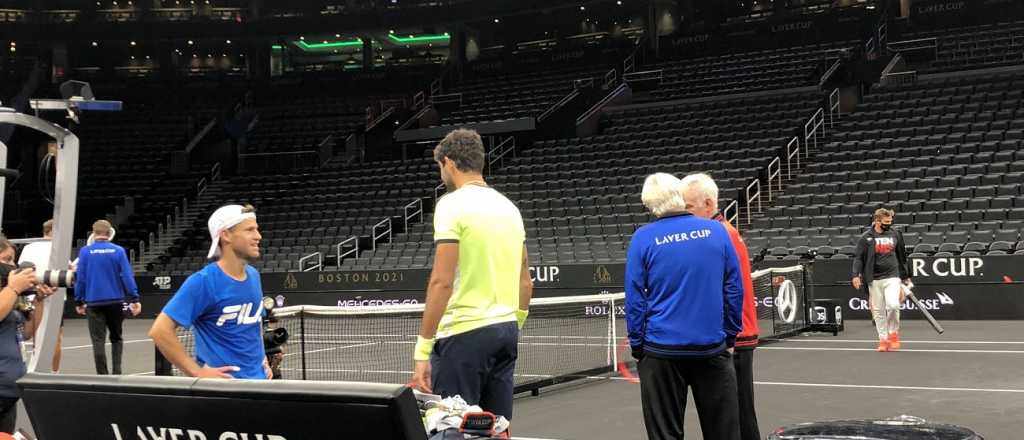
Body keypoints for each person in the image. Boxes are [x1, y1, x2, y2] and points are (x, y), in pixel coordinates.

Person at [410, 129, 532, 423]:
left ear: (449, 162)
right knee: (497, 427)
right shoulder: (509, 208)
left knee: (453, 427)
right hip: (505, 331)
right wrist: (512, 323)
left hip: (463, 336)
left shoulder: (451, 205)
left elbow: (442, 281)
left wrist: (423, 349)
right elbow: (525, 281)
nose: (441, 173)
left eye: (440, 166)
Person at [625, 173, 743, 440]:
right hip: (711, 348)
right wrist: (730, 333)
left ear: (650, 204)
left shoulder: (643, 238)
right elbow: (734, 288)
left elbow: (635, 298)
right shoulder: (717, 231)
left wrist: (638, 345)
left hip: (661, 351)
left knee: (665, 435)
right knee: (724, 433)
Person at [149, 204, 272, 379]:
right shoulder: (203, 282)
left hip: (260, 383)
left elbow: (253, 325)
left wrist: (263, 358)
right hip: (223, 394)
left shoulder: (253, 276)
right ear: (226, 235)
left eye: (257, 229)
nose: (258, 236)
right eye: (249, 230)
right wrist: (197, 372)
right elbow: (160, 331)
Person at [680, 172, 761, 440]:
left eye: (689, 207)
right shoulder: (719, 232)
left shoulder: (722, 234)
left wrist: (727, 335)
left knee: (736, 417)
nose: (685, 213)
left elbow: (730, 290)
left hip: (734, 338)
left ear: (708, 203)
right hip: (734, 335)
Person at [0, 238, 55, 433]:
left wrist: (39, 301)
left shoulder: (8, 295)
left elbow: (27, 333)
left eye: (13, 260)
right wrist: (14, 288)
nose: (12, 266)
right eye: (7, 260)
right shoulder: (9, 292)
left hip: (8, 394)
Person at [74, 220, 141, 375]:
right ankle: (117, 372)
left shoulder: (85, 252)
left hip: (93, 302)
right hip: (116, 301)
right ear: (109, 232)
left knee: (98, 340)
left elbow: (81, 278)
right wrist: (134, 298)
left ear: (93, 232)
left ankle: (102, 376)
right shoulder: (118, 251)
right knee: (117, 337)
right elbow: (126, 276)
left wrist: (79, 300)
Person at [852, 208, 911, 352]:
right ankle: (883, 339)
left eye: (890, 221)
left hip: (892, 276)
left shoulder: (896, 233)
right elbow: (858, 258)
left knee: (893, 305)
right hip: (874, 279)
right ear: (877, 221)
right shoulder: (866, 238)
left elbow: (902, 255)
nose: (889, 224)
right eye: (886, 222)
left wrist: (906, 275)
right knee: (878, 311)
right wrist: (855, 275)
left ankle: (893, 334)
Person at [17, 219, 64, 373]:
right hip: (53, 294)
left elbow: (21, 269)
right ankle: (55, 374)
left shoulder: (29, 247)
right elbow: (66, 271)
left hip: (31, 294)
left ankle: (34, 370)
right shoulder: (59, 248)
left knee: (32, 333)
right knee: (55, 337)